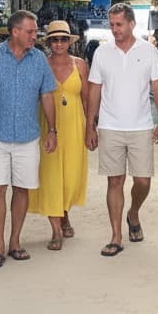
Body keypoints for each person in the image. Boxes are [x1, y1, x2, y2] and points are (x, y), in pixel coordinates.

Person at [0, 10, 58, 269]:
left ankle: (15, 241)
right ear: (15, 31)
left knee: (22, 189)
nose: (35, 35)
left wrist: (53, 130)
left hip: (28, 136)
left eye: (35, 31)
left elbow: (47, 96)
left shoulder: (39, 59)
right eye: (30, 31)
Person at [85, 3, 158, 258]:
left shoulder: (148, 51)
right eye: (111, 25)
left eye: (119, 24)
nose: (114, 30)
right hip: (110, 126)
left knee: (143, 180)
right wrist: (90, 125)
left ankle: (133, 213)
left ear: (132, 24)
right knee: (115, 180)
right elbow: (94, 90)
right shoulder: (102, 52)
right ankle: (116, 235)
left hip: (141, 125)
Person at [28, 20, 89, 250]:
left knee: (70, 176)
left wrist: (91, 127)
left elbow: (86, 98)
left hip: (74, 125)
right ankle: (55, 230)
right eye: (55, 39)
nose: (59, 43)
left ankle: (64, 213)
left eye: (63, 39)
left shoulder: (80, 65)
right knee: (51, 176)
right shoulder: (41, 64)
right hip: (48, 125)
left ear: (69, 42)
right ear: (49, 42)